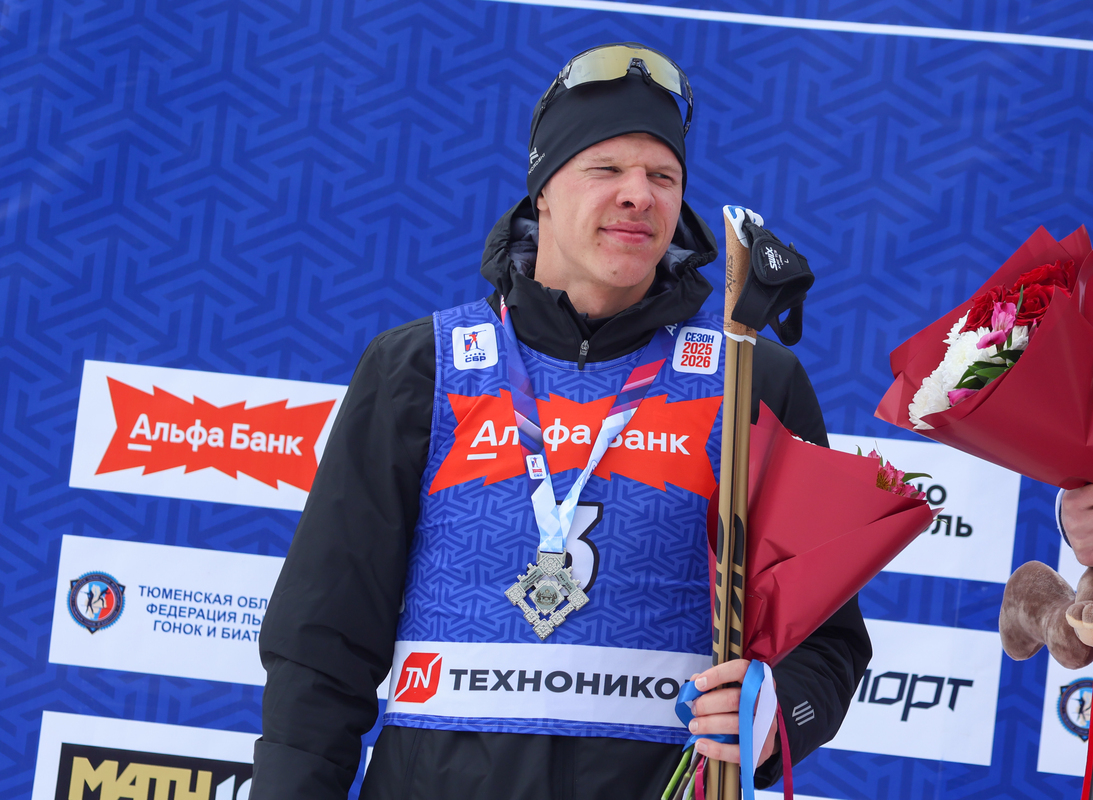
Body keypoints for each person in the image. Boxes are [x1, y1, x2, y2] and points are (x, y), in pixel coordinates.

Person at [251, 43, 871, 800]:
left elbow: (828, 642)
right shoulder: (421, 366)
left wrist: (777, 716)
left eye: (663, 177)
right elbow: (323, 644)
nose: (638, 195)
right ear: (542, 189)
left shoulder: (750, 379)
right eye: (606, 168)